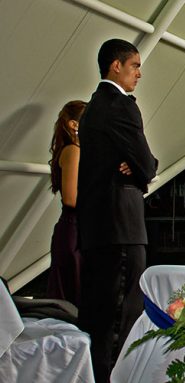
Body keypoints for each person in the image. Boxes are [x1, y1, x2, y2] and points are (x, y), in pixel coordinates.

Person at [77, 38, 157, 382]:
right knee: (120, 314)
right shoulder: (120, 105)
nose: (139, 73)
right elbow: (147, 163)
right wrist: (143, 167)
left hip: (98, 227)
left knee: (97, 314)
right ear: (116, 66)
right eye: (135, 66)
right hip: (120, 226)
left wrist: (135, 164)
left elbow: (133, 161)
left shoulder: (93, 107)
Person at [46, 100, 87, 307]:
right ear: (74, 124)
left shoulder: (75, 150)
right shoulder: (73, 150)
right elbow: (71, 199)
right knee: (73, 300)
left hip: (76, 230)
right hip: (74, 232)